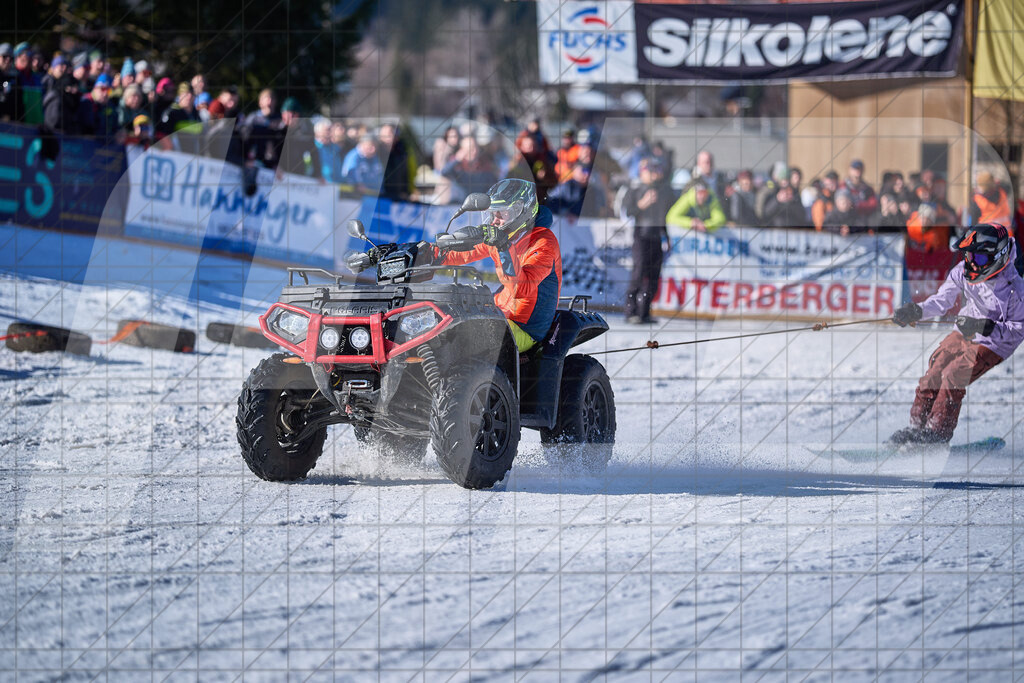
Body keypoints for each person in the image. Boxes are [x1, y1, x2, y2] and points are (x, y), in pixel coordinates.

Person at [890, 223, 1024, 445]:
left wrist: (985, 326)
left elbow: (1018, 329)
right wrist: (917, 311)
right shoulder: (963, 270)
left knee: (953, 375)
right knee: (935, 369)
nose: (971, 262)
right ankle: (916, 428)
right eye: (968, 255)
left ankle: (937, 433)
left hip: (995, 342)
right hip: (966, 328)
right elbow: (942, 300)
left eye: (978, 258)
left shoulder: (1014, 288)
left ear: (997, 257)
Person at [435, 179, 560, 353]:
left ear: (520, 211)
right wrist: (426, 253)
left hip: (524, 326)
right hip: (499, 312)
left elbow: (521, 289)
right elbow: (463, 253)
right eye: (493, 214)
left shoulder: (543, 243)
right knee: (440, 325)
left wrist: (503, 247)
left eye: (501, 214)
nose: (494, 221)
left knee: (464, 342)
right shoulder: (505, 235)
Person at [622, 159, 674, 324]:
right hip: (641, 237)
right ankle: (631, 311)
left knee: (653, 277)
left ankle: (644, 312)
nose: (653, 174)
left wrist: (666, 236)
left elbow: (662, 217)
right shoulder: (635, 189)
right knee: (638, 274)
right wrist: (642, 204)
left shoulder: (661, 191)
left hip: (656, 237)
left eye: (654, 171)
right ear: (642, 173)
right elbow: (628, 212)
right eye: (649, 171)